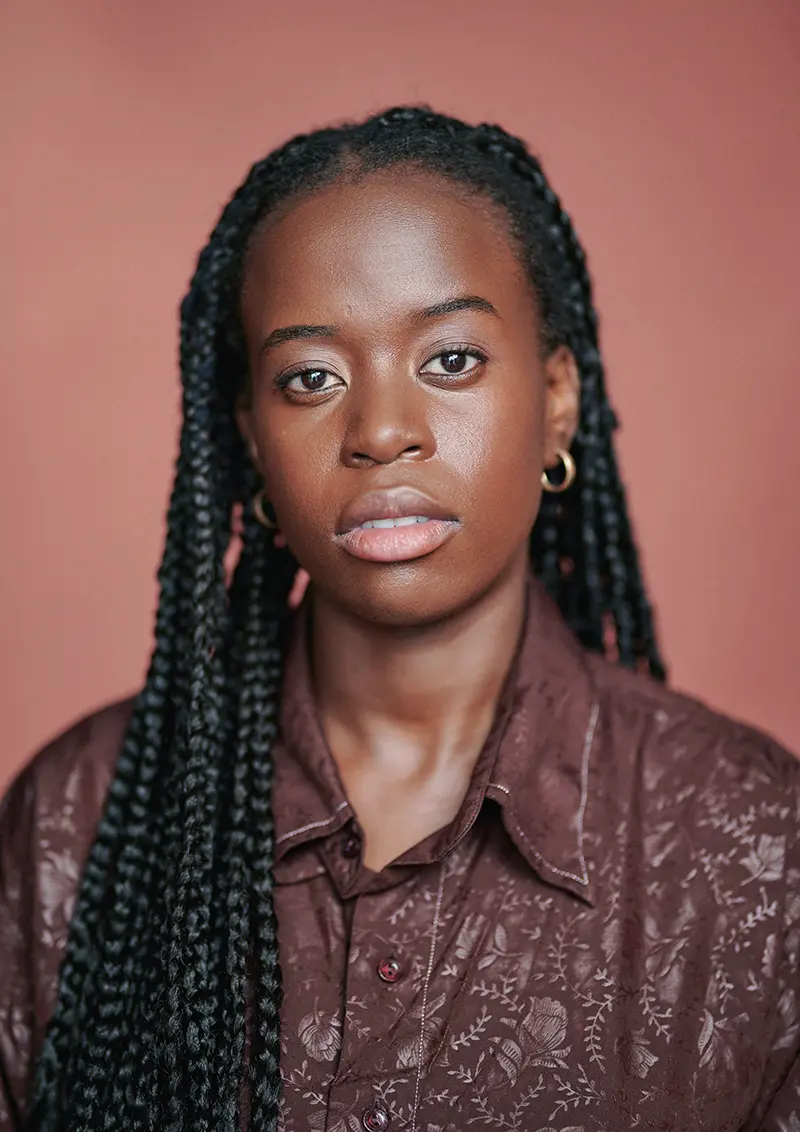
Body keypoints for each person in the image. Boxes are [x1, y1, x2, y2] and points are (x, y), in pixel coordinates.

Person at [0, 106, 797, 1132]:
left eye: (450, 360)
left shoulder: (758, 847)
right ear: (250, 437)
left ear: (556, 398)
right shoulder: (73, 817)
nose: (380, 432)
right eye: (311, 378)